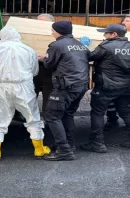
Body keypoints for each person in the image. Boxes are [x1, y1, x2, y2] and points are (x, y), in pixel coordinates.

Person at [0, 13, 57, 111]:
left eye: (44, 24)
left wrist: (47, 57)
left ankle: (49, 121)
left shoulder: (58, 35)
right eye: (38, 23)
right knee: (28, 97)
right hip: (29, 71)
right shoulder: (22, 33)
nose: (40, 26)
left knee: (50, 99)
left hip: (50, 71)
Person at [0, 27, 50, 160]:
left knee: (0, 117)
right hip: (23, 86)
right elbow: (35, 71)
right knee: (32, 116)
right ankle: (39, 149)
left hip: (1, 86)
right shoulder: (28, 49)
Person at [81, 24, 130, 153]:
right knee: (126, 112)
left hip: (105, 86)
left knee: (98, 113)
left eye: (106, 33)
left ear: (114, 34)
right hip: (125, 86)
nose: (104, 35)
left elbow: (89, 57)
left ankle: (97, 143)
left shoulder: (105, 47)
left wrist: (85, 46)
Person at [38, 21, 89, 161]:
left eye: (53, 30)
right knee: (67, 115)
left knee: (52, 116)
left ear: (59, 31)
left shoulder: (56, 45)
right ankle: (69, 145)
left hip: (65, 86)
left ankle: (64, 150)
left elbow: (49, 65)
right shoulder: (79, 44)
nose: (51, 33)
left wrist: (44, 58)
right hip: (81, 85)